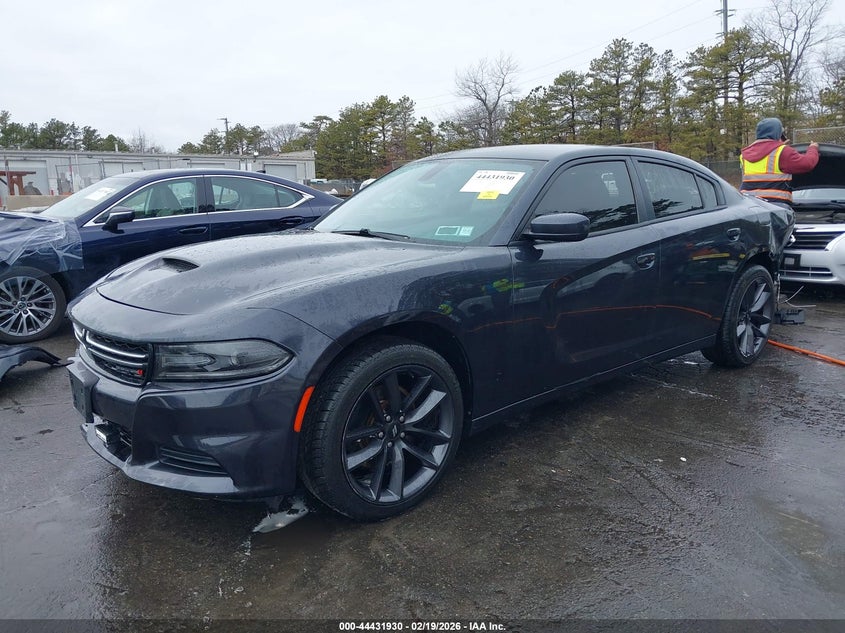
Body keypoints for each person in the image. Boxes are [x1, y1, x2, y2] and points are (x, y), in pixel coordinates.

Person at [739, 117, 818, 204]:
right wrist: (813, 148)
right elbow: (807, 164)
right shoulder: (782, 152)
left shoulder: (744, 155)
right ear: (778, 134)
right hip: (775, 207)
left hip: (749, 205)